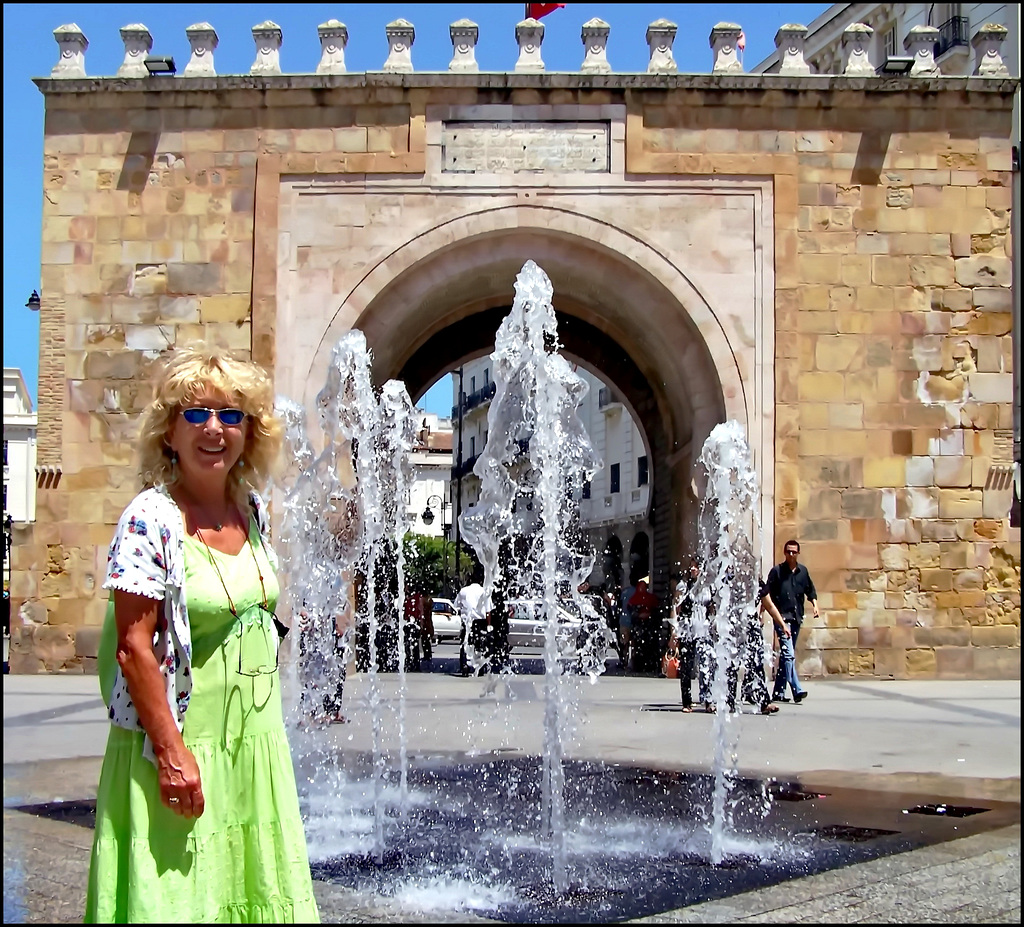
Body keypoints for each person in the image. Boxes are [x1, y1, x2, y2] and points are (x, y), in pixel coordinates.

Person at [87, 348, 319, 922]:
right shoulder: (150, 518)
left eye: (230, 415)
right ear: (169, 431)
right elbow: (133, 646)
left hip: (253, 745)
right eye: (195, 414)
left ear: (250, 432)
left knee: (246, 893)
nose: (214, 428)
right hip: (180, 747)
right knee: (178, 899)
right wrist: (171, 753)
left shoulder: (251, 509)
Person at [767, 539, 819, 704]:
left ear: (798, 553)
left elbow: (810, 590)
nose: (791, 554)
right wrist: (761, 613)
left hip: (796, 617)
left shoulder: (803, 572)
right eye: (788, 551)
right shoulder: (777, 572)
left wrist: (815, 606)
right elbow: (766, 594)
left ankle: (778, 692)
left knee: (785, 656)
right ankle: (796, 689)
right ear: (784, 552)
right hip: (782, 618)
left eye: (793, 552)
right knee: (789, 655)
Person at [666, 558, 701, 711]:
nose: (692, 569)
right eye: (691, 566)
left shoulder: (707, 586)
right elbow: (675, 607)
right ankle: (686, 701)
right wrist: (674, 630)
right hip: (687, 630)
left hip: (703, 629)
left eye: (696, 566)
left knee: (706, 665)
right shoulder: (684, 586)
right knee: (686, 666)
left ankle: (708, 700)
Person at [454, 567, 488, 676]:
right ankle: (480, 668)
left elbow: (457, 606)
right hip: (480, 621)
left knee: (465, 643)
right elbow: (488, 610)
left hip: (467, 621)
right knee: (480, 645)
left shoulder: (463, 591)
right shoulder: (484, 591)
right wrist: (489, 624)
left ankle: (464, 666)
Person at [627, 579, 659, 672]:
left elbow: (655, 610)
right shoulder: (634, 599)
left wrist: (648, 615)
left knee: (647, 647)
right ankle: (639, 665)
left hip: (648, 626)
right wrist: (639, 615)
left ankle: (647, 665)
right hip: (639, 626)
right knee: (638, 646)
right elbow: (631, 612)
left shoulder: (650, 598)